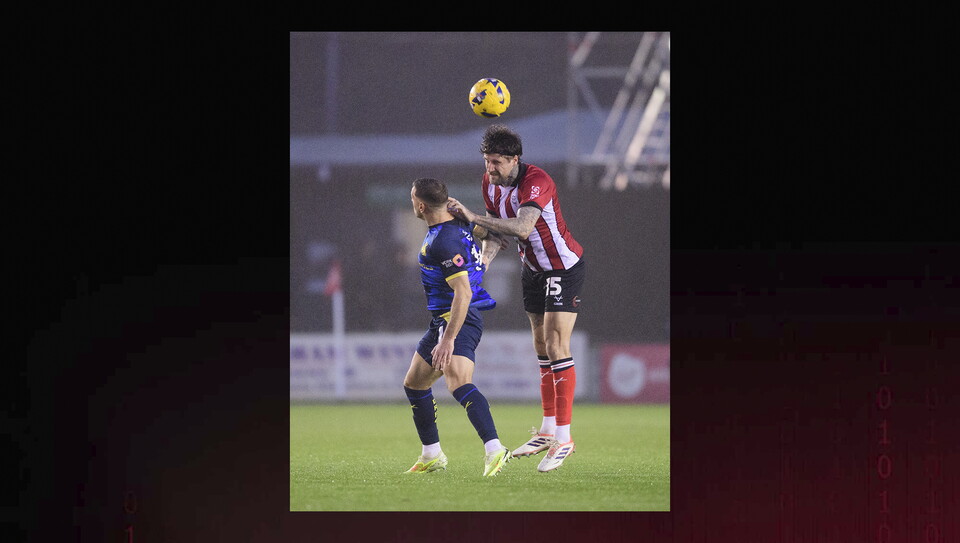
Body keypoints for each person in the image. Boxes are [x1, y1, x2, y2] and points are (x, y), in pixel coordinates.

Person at [446, 124, 585, 473]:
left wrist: (472, 217)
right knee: (540, 345)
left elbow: (522, 227)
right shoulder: (489, 184)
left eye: (496, 162)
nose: (490, 168)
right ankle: (547, 430)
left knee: (556, 344)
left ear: (514, 159)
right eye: (486, 161)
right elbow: (495, 231)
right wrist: (484, 262)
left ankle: (564, 437)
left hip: (561, 267)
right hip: (532, 269)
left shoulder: (537, 181)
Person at [402, 177, 511, 477]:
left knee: (459, 382)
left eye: (412, 198)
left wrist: (448, 339)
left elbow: (462, 293)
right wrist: (485, 255)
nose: (412, 203)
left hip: (457, 318)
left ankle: (495, 449)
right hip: (443, 319)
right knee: (415, 383)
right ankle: (432, 454)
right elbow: (493, 237)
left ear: (421, 206)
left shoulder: (443, 241)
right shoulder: (458, 223)